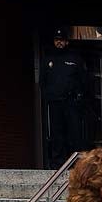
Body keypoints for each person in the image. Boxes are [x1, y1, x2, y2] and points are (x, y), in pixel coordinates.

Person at [41, 28, 88, 168]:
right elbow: (43, 81)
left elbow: (84, 80)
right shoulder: (48, 59)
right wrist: (48, 96)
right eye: (56, 40)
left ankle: (75, 162)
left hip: (71, 102)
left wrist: (80, 97)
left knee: (74, 133)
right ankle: (57, 163)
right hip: (55, 103)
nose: (59, 43)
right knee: (57, 134)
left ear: (66, 41)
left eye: (61, 40)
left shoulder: (74, 59)